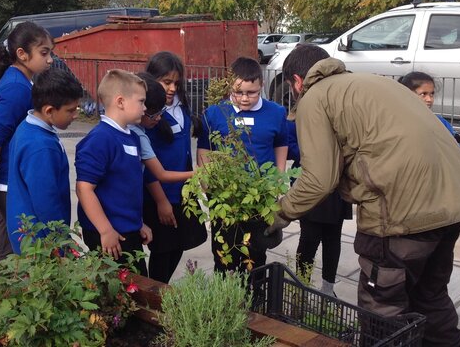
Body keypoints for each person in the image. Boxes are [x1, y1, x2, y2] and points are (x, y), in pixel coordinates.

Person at [265, 43, 460, 347]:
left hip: (400, 215)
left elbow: (318, 179)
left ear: (297, 81)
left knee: (382, 311)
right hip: (453, 202)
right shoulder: (370, 82)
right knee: (430, 298)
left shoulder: (315, 97)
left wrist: (276, 215)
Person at [197, 56, 288, 273]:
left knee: (256, 252)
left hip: (261, 194)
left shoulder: (276, 112)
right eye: (238, 92)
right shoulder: (215, 114)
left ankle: (253, 298)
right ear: (230, 86)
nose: (244, 98)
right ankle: (226, 297)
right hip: (225, 195)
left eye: (251, 92)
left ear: (261, 86)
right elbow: (205, 149)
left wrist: (279, 177)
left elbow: (281, 144)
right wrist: (206, 179)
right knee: (224, 251)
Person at [0, 21, 54, 264]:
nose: (50, 59)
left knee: (11, 253)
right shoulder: (16, 88)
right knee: (8, 257)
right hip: (8, 186)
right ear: (22, 54)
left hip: (12, 182)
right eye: (44, 53)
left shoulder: (22, 81)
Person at [75, 69, 153, 275]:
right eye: (141, 101)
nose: (145, 108)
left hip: (127, 230)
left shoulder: (131, 137)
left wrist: (138, 224)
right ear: (120, 102)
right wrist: (105, 230)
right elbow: (84, 190)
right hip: (109, 235)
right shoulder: (100, 139)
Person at [5, 67, 85, 254]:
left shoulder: (28, 128)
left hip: (32, 235)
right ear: (49, 110)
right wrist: (61, 243)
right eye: (70, 110)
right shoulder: (40, 146)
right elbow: (46, 203)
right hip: (41, 243)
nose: (76, 115)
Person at [143, 53, 207, 283]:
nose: (171, 89)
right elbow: (148, 166)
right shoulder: (149, 116)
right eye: (166, 82)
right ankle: (156, 296)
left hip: (182, 191)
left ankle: (163, 289)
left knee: (179, 244)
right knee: (162, 250)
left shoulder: (181, 107)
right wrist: (161, 201)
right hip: (160, 194)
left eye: (176, 83)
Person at [288, 117, 352, 296]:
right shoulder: (301, 118)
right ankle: (301, 286)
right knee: (309, 238)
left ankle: (328, 288)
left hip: (337, 185)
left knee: (333, 239)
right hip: (310, 184)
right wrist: (317, 153)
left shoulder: (341, 117)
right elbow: (290, 144)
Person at [398, 71, 456, 137]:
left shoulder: (441, 123)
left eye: (431, 94)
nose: (429, 99)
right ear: (407, 94)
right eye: (423, 94)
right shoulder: (396, 122)